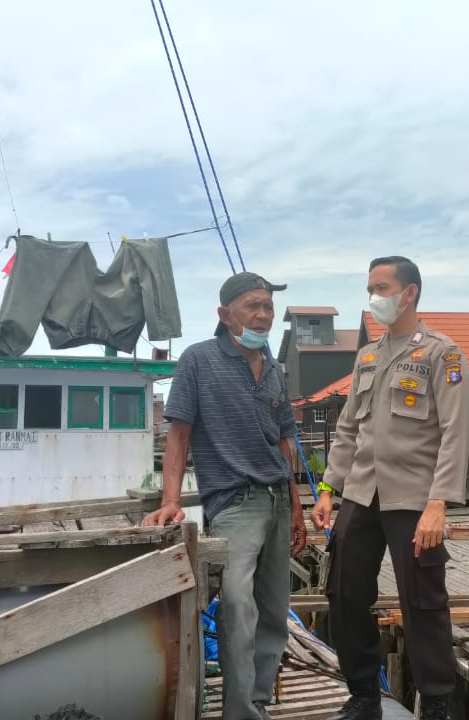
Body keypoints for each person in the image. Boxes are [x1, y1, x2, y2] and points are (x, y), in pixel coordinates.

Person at [311, 256, 469, 720]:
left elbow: (455, 432)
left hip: (414, 497)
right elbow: (348, 428)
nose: (373, 298)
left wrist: (438, 503)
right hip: (361, 493)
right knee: (343, 595)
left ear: (409, 293)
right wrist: (328, 488)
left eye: (381, 288)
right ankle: (364, 696)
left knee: (423, 603)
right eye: (370, 289)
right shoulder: (367, 356)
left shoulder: (442, 353)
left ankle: (435, 705)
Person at [143, 271, 307, 720]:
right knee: (236, 605)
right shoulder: (198, 360)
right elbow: (179, 434)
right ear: (225, 313)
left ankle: (258, 703)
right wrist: (170, 500)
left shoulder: (274, 368)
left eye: (268, 306)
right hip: (234, 504)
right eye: (253, 305)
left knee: (274, 610)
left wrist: (296, 507)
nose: (263, 315)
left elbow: (285, 442)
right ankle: (241, 712)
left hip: (278, 500)